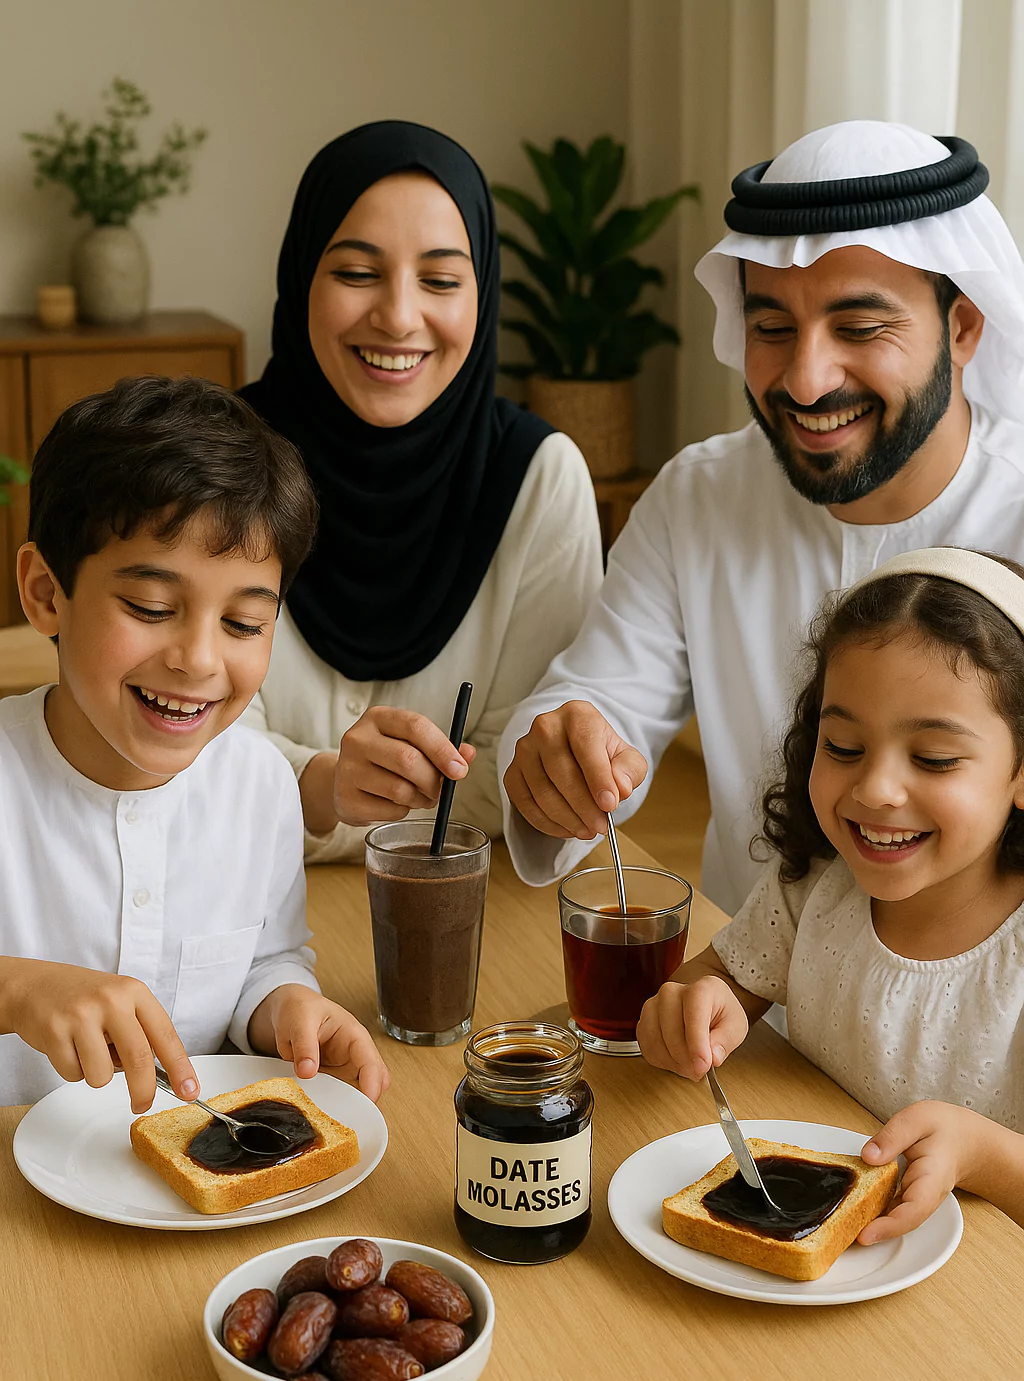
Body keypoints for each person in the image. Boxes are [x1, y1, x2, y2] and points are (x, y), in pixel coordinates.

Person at [499, 121, 1024, 917]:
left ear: (962, 329)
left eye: (859, 327)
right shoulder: (699, 497)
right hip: (733, 1012)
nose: (807, 381)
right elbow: (598, 698)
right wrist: (559, 754)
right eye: (772, 328)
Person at [0, 375, 388, 1110]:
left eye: (244, 624)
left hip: (185, 1192)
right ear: (47, 593)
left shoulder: (259, 783)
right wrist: (15, 988)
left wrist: (287, 1010)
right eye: (151, 606)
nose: (200, 660)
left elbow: (263, 960)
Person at [239, 121, 603, 861]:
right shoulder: (214, 465)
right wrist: (322, 786)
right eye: (356, 273)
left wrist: (286, 792)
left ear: (484, 294)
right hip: (219, 916)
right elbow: (174, 752)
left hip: (470, 917)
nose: (400, 317)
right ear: (300, 274)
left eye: (440, 280)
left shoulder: (538, 479)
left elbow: (523, 775)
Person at [639, 548, 1024, 1239]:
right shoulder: (816, 886)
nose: (875, 790)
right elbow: (726, 976)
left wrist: (985, 1155)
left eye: (934, 759)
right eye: (843, 745)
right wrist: (698, 1001)